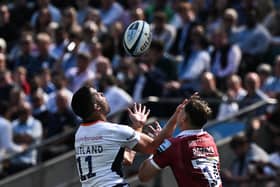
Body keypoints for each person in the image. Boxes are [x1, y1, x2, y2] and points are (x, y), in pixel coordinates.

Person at [71, 85, 187, 187]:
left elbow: (127, 159)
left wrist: (137, 126)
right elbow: (153, 147)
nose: (102, 94)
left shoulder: (80, 134)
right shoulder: (113, 131)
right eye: (97, 94)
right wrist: (176, 116)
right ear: (97, 106)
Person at [138, 95, 222, 187]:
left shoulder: (174, 145)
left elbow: (143, 175)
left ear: (184, 118)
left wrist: (159, 142)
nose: (178, 112)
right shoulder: (209, 139)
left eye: (181, 111)